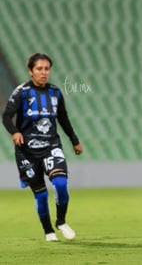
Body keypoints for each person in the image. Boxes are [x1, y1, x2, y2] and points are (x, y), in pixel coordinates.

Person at [2, 53, 82, 241]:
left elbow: (63, 118)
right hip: (27, 151)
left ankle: (60, 221)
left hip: (51, 146)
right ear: (31, 71)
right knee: (41, 195)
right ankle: (48, 231)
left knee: (61, 183)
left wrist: (74, 140)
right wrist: (15, 131)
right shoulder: (21, 92)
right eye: (39, 69)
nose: (44, 72)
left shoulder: (55, 92)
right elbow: (6, 116)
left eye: (46, 68)